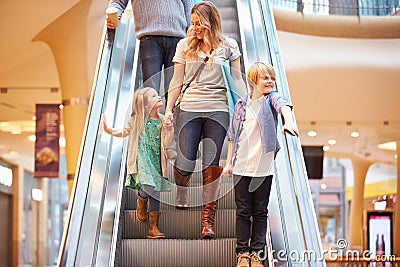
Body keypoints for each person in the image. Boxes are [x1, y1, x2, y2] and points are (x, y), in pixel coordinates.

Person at [164, 1, 247, 239]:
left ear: (211, 23)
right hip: (189, 108)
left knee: (211, 163)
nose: (195, 28)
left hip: (218, 109)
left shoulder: (229, 46)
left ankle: (208, 222)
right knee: (185, 160)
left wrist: (246, 105)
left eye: (199, 23)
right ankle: (182, 189)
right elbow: (176, 81)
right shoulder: (184, 46)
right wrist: (169, 110)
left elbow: (237, 80)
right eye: (193, 24)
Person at [222, 62, 299, 267]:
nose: (270, 81)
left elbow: (283, 105)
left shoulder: (271, 99)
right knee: (243, 211)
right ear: (253, 81)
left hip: (263, 168)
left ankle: (256, 253)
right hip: (241, 167)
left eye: (271, 77)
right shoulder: (241, 105)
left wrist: (288, 122)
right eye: (265, 78)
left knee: (260, 211)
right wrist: (229, 163)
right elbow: (232, 136)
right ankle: (242, 254)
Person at [102, 87, 175, 239]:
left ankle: (153, 228)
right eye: (154, 96)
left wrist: (170, 128)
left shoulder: (162, 120)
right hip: (142, 161)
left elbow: (168, 142)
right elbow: (124, 131)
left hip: (157, 161)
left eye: (157, 94)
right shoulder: (137, 120)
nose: (159, 97)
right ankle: (141, 201)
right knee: (149, 186)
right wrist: (109, 130)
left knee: (155, 192)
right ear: (146, 105)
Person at [106, 0, 193, 99]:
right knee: (150, 91)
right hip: (149, 39)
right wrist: (114, 15)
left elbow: (188, 3)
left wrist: (191, 30)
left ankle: (173, 114)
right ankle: (151, 115)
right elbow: (118, 2)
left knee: (176, 89)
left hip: (178, 38)